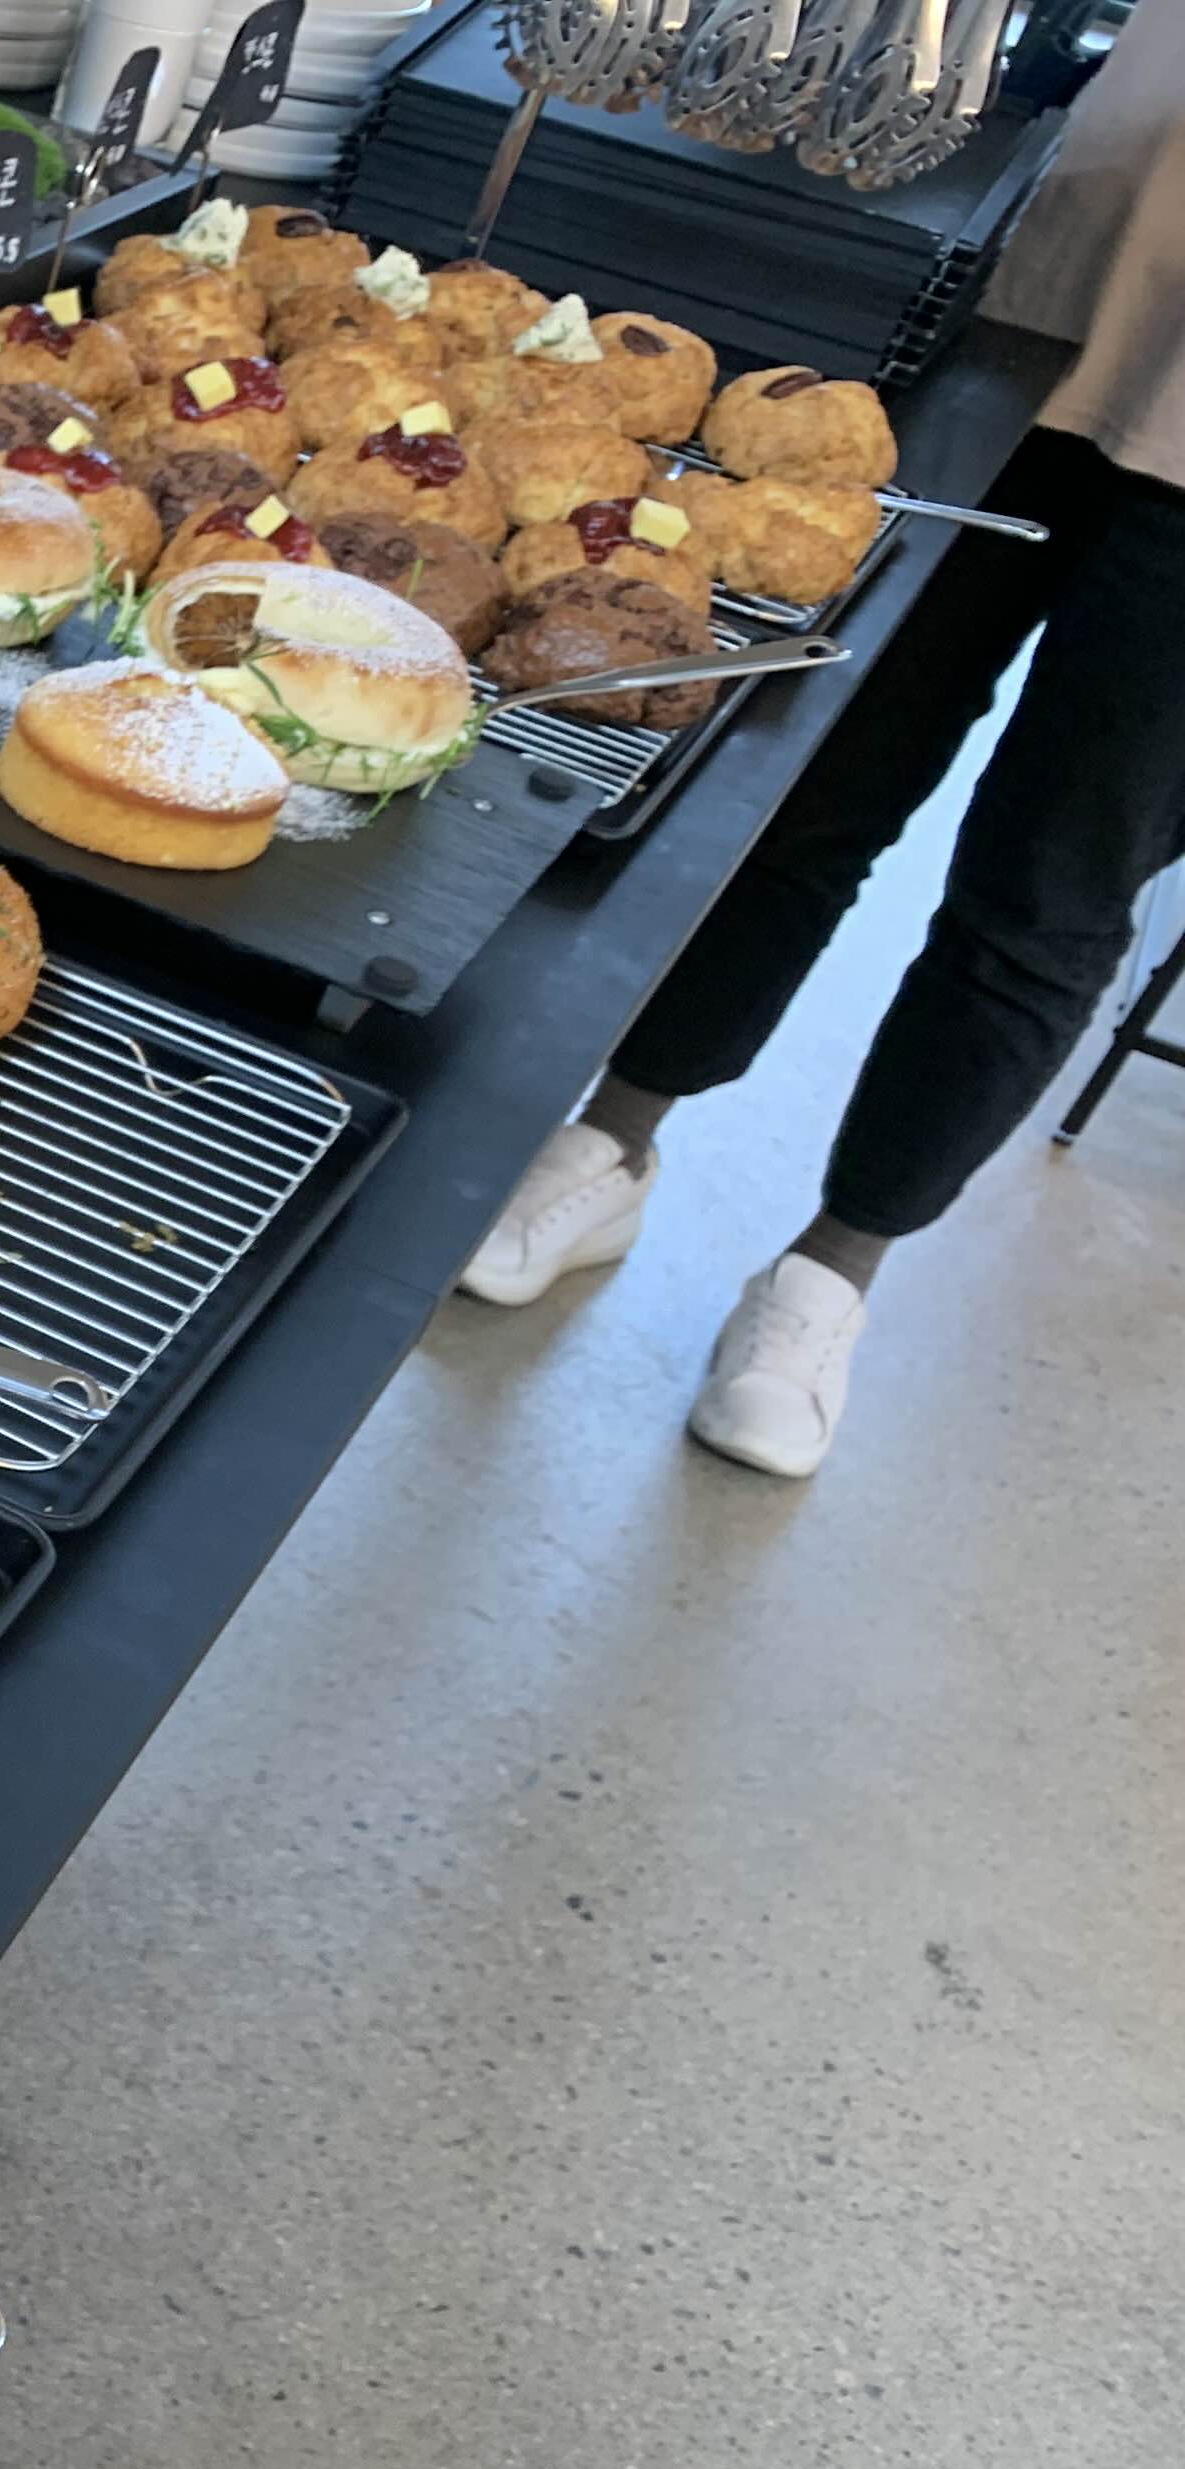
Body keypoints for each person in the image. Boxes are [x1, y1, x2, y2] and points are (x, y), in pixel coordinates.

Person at [458, 0, 1185, 1477]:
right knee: (807, 782)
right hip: (1063, 284)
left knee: (1054, 885)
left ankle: (832, 1273)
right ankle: (616, 1137)